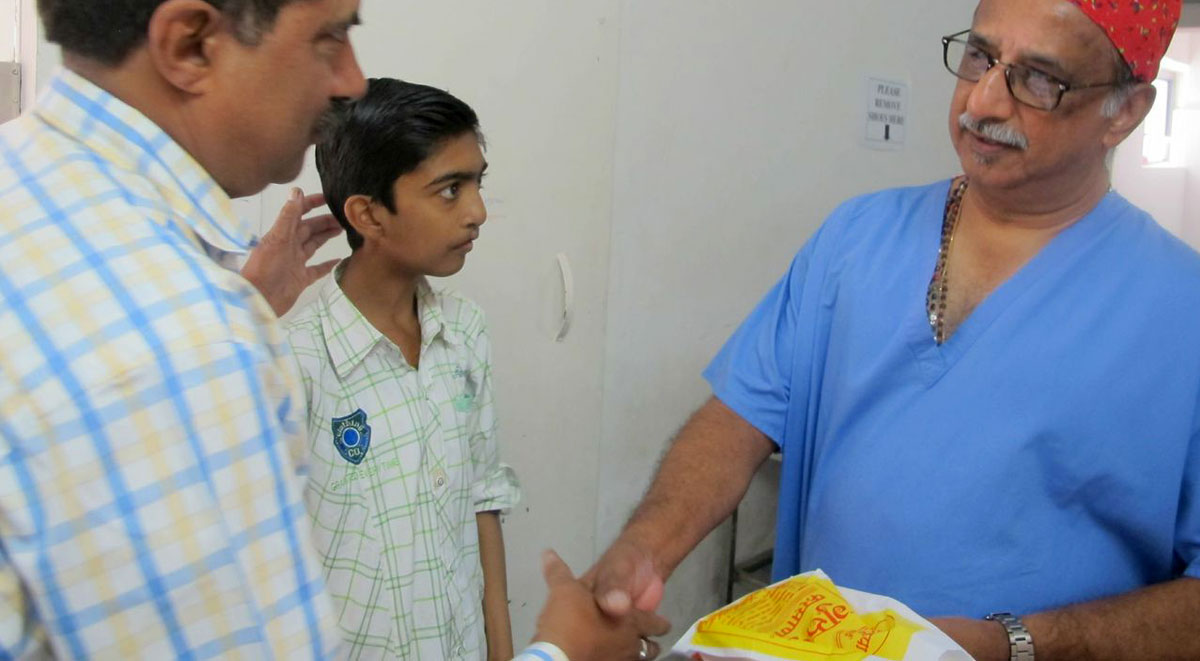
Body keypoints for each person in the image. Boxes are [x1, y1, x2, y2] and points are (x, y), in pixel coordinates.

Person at [588, 1, 1200, 659]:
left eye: (1040, 79)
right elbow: (738, 417)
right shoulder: (856, 239)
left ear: (1126, 111)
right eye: (979, 57)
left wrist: (1008, 643)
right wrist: (643, 548)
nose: (985, 102)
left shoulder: (1178, 310)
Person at [0, 0, 367, 656]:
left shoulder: (21, 179)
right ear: (191, 44)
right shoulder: (181, 349)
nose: (352, 79)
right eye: (330, 38)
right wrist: (566, 647)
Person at [287, 77, 522, 660]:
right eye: (449, 190)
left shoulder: (465, 333)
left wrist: (502, 649)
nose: (478, 212)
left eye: (477, 182)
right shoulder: (296, 359)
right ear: (368, 214)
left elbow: (481, 500)